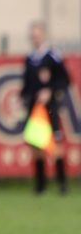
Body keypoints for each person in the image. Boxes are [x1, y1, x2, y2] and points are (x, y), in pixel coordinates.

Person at [20, 21, 71, 194]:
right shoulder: (29, 58)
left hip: (50, 108)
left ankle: (62, 184)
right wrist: (23, 97)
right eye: (33, 35)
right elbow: (27, 84)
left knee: (56, 144)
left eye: (38, 34)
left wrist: (51, 91)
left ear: (43, 35)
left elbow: (65, 80)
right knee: (36, 146)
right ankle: (40, 185)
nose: (35, 38)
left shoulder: (53, 56)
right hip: (35, 109)